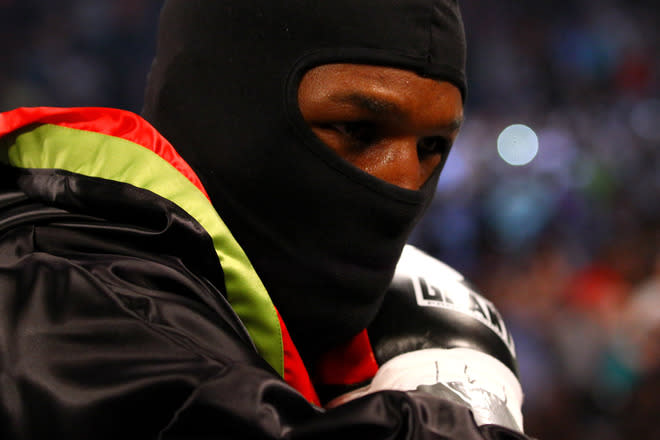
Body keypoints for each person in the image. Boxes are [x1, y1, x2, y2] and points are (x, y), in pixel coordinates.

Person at [0, 1, 532, 438]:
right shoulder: (61, 284)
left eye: (434, 145)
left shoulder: (244, 301)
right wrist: (462, 405)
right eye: (356, 129)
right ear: (226, 112)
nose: (403, 181)